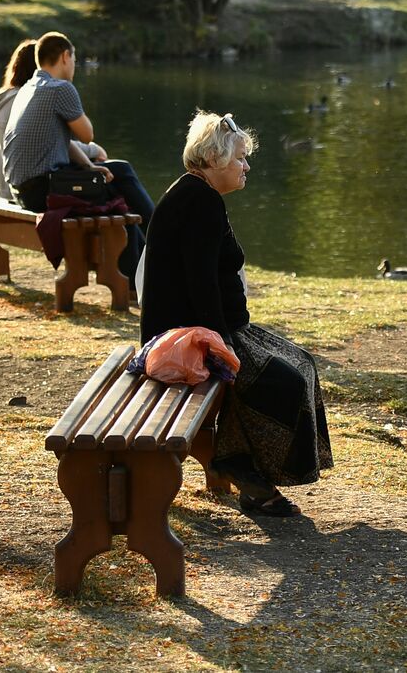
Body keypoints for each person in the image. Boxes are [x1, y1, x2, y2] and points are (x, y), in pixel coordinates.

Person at [141, 110, 332, 516]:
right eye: (240, 159)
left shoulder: (200, 195)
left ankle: (248, 470)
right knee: (282, 381)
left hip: (213, 326)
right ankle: (248, 474)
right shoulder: (199, 202)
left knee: (301, 363)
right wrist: (224, 346)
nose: (246, 166)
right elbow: (200, 284)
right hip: (193, 335)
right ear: (213, 160)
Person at [2, 32, 154, 277]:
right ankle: (163, 234)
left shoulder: (29, 88)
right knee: (122, 172)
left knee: (116, 195)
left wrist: (89, 166)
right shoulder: (61, 89)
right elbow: (86, 135)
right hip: (46, 189)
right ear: (65, 56)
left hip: (24, 190)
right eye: (74, 59)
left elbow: (66, 144)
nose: (75, 65)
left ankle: (138, 276)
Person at [0, 39, 106, 201]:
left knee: (99, 170)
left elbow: (52, 142)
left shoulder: (19, 96)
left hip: (17, 186)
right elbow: (74, 140)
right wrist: (93, 150)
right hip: (22, 190)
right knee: (116, 172)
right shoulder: (28, 98)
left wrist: (89, 164)